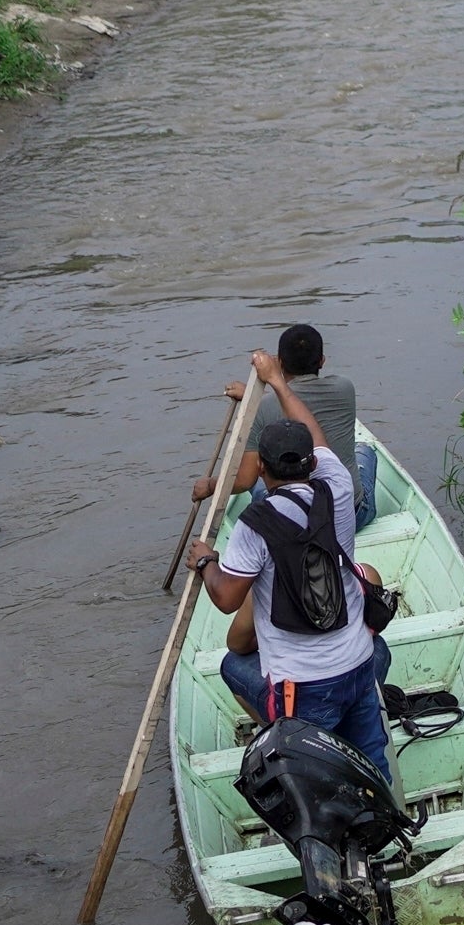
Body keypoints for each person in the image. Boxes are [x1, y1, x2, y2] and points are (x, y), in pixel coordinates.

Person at [197, 371, 389, 777]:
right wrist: (279, 384)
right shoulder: (336, 488)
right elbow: (316, 433)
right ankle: (385, 820)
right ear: (312, 461)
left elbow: (227, 598)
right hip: (357, 662)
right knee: (373, 757)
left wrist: (205, 563)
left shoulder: (255, 524)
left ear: (261, 467)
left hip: (303, 685)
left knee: (310, 775)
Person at [190, 325, 370, 532]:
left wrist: (211, 485)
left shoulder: (264, 408)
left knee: (260, 481)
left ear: (280, 362)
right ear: (322, 361)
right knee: (367, 453)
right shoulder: (345, 387)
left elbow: (244, 481)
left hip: (297, 522)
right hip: (351, 514)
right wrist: (256, 395)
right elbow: (294, 400)